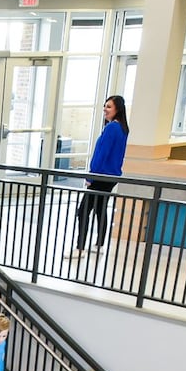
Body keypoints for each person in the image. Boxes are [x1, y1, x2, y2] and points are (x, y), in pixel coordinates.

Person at [74, 95, 129, 256]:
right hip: (111, 177)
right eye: (105, 106)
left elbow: (101, 154)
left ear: (118, 109)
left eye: (109, 107)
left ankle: (80, 248)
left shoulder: (112, 128)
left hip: (101, 176)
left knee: (83, 211)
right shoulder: (123, 128)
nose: (105, 109)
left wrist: (91, 177)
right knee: (100, 209)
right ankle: (99, 244)